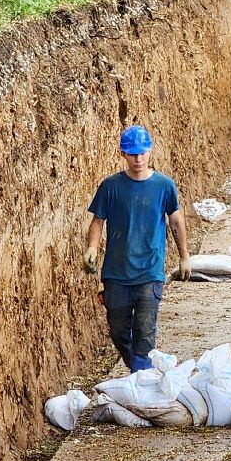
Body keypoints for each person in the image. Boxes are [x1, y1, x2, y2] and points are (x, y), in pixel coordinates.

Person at [83, 125, 191, 371]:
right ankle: (143, 373)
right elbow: (98, 221)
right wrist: (91, 247)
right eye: (132, 154)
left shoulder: (164, 186)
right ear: (123, 154)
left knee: (144, 332)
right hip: (117, 273)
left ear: (151, 151)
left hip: (150, 272)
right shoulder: (111, 186)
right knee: (119, 331)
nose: (138, 158)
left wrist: (184, 256)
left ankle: (141, 380)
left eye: (142, 153)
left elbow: (175, 219)